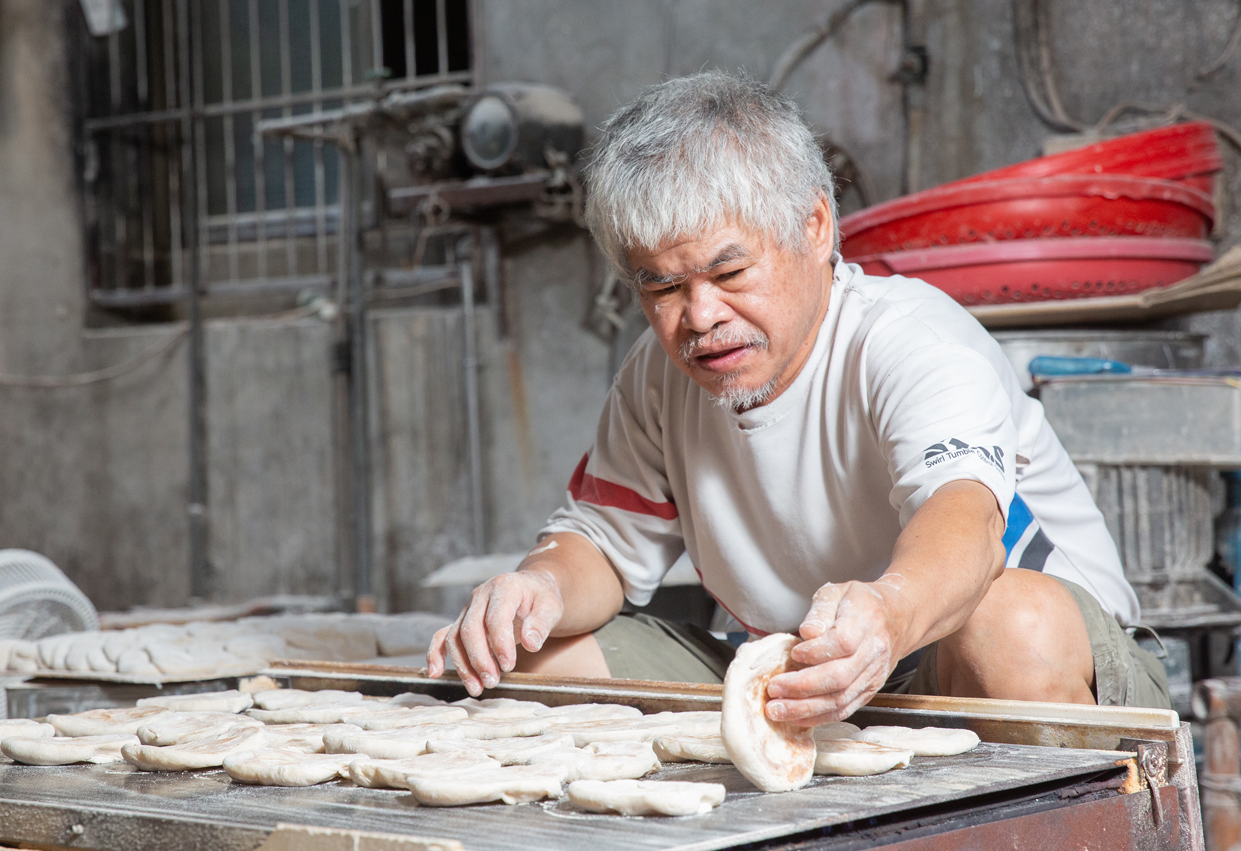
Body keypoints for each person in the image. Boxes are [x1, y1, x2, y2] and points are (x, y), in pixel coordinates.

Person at [427, 71, 1168, 725]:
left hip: (984, 667)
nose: (701, 316)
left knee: (1013, 626)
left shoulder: (910, 338)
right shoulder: (656, 374)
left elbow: (964, 523)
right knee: (523, 667)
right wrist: (536, 591)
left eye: (730, 274)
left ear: (815, 227)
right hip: (803, 679)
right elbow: (603, 546)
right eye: (663, 286)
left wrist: (886, 615)